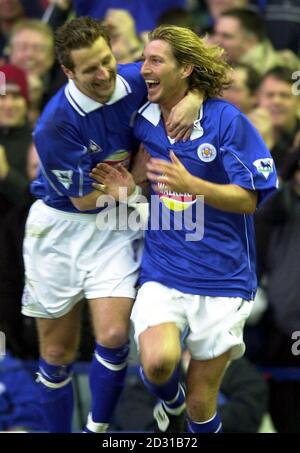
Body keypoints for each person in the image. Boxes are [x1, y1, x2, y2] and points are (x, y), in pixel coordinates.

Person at [90, 24, 278, 433]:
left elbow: (251, 199)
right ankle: (168, 402)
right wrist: (127, 192)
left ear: (186, 69)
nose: (144, 69)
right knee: (158, 364)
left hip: (224, 277)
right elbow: (103, 80)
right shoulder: (140, 112)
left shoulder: (226, 121)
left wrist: (196, 186)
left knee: (201, 402)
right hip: (165, 271)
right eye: (143, 59)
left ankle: (186, 412)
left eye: (155, 60)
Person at [21, 16, 201, 433]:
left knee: (116, 335)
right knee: (57, 352)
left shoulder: (137, 77)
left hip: (117, 217)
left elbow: (197, 71)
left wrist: (192, 98)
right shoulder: (54, 125)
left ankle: (95, 431)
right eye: (89, 69)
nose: (103, 74)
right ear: (68, 72)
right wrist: (136, 178)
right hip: (60, 225)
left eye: (107, 60)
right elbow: (83, 198)